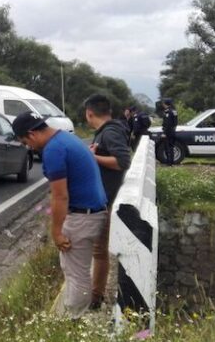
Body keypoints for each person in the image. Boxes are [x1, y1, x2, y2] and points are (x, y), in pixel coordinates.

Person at [13, 111, 107, 318]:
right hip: (94, 211)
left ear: (32, 134)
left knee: (76, 274)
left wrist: (56, 232)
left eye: (25, 142)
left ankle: (73, 321)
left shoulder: (53, 150)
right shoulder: (65, 138)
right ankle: (82, 310)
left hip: (83, 216)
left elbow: (60, 196)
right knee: (75, 268)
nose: (29, 147)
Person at [83, 94, 132, 310]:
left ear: (89, 113)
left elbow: (122, 161)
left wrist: (93, 158)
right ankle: (95, 294)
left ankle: (95, 297)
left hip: (106, 200)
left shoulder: (110, 132)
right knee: (97, 249)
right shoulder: (108, 131)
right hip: (103, 197)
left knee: (99, 251)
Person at [161, 98, 179, 166]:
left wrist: (164, 133)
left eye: (163, 103)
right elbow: (175, 123)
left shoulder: (168, 112)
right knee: (171, 147)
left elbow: (167, 123)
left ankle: (169, 163)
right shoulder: (174, 111)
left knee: (168, 147)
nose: (163, 105)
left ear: (166, 104)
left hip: (168, 132)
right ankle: (171, 162)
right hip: (172, 131)